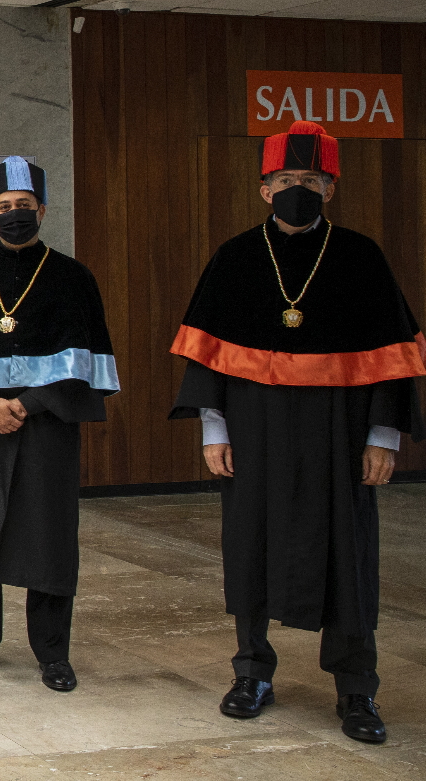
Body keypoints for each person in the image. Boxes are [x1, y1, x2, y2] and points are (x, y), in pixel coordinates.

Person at [169, 121, 422, 744]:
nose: (297, 189)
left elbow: (392, 356)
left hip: (341, 434)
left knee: (350, 557)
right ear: (264, 189)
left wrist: (384, 437)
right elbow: (206, 356)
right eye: (286, 180)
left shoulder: (361, 257)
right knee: (249, 548)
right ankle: (252, 672)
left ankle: (356, 689)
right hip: (253, 430)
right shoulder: (235, 257)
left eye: (310, 180)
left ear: (330, 189)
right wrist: (212, 429)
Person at [0, 156, 117, 692]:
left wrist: (29, 403)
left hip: (48, 424)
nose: (15, 215)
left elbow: (89, 362)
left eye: (24, 207)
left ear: (43, 210)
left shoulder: (72, 278)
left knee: (49, 536)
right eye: (5, 207)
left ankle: (52, 652)